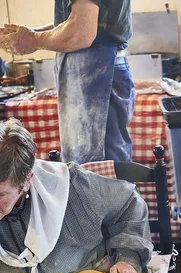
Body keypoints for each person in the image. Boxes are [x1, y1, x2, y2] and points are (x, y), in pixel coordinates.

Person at [0, 118, 152, 273]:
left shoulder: (72, 188)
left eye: (0, 195)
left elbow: (129, 203)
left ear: (27, 181)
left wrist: (127, 257)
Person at [0, 0, 135, 164]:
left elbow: (81, 32)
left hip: (97, 72)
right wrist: (31, 34)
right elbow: (75, 21)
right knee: (91, 167)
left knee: (98, 170)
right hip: (95, 71)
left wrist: (32, 39)